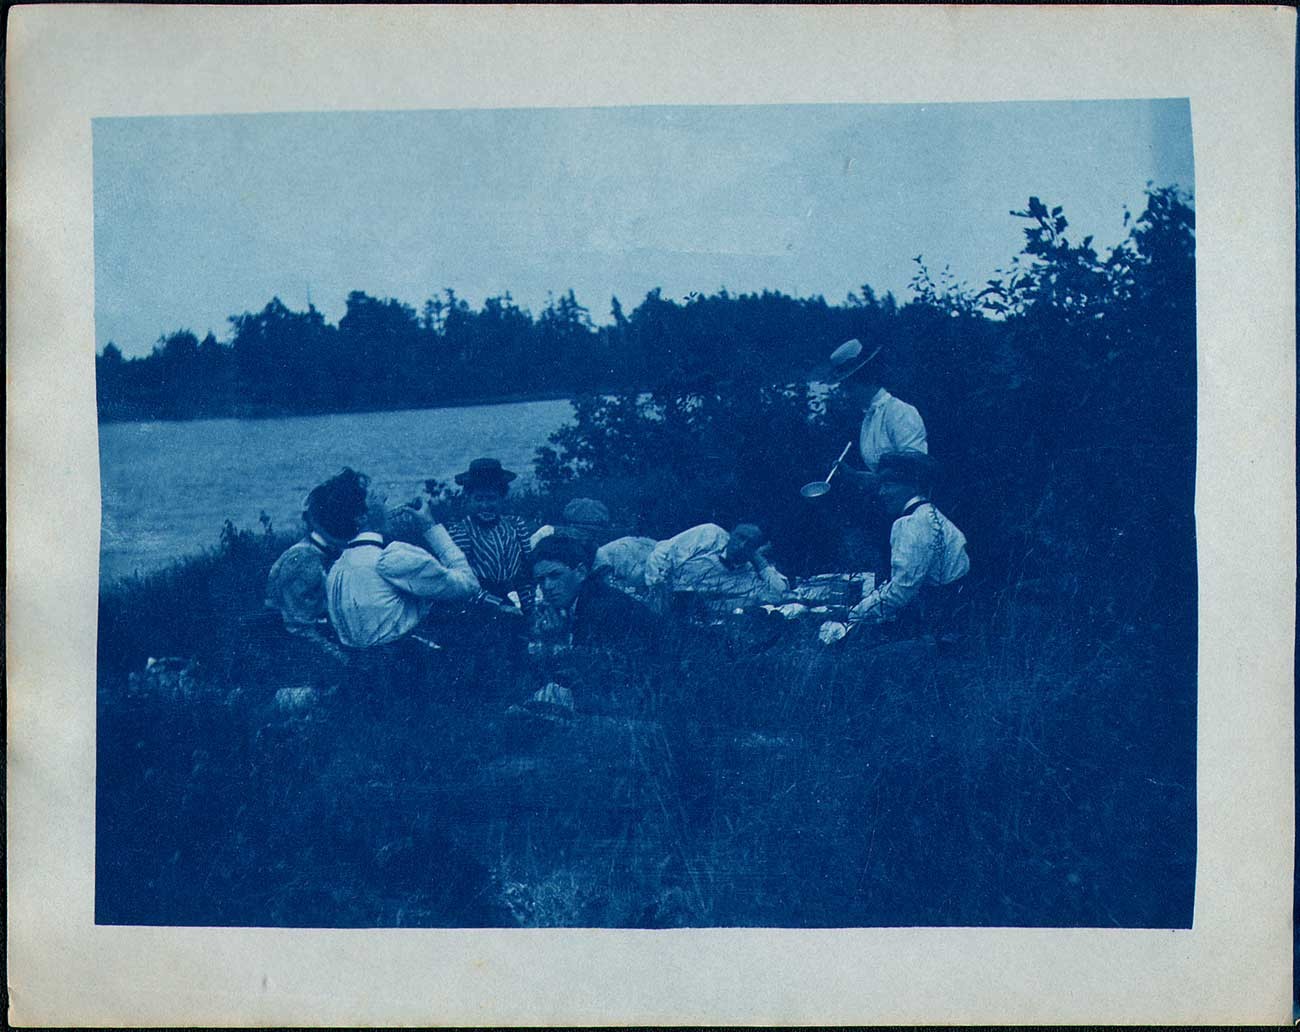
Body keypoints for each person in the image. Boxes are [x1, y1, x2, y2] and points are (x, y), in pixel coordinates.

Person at [326, 476, 480, 649]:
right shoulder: (390, 559)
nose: (385, 498)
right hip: (407, 665)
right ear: (360, 518)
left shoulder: (336, 570)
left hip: (361, 669)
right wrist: (430, 527)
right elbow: (469, 584)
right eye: (376, 497)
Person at [842, 449, 969, 637]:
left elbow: (901, 590)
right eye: (881, 485)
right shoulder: (928, 512)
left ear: (913, 485)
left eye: (889, 484)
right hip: (952, 611)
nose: (882, 492)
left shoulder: (911, 524)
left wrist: (854, 614)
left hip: (941, 623)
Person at [264, 471, 361, 645]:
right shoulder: (303, 560)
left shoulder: (320, 553)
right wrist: (346, 661)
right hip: (304, 653)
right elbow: (299, 628)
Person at [817, 337, 928, 476]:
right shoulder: (869, 417)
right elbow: (879, 473)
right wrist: (854, 476)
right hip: (884, 496)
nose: (846, 395)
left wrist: (870, 481)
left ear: (865, 381)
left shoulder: (900, 412)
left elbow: (916, 469)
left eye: (849, 388)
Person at [531, 532, 658, 648]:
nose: (547, 586)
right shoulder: (584, 597)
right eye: (541, 579)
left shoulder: (602, 607)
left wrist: (556, 639)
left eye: (555, 575)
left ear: (581, 572)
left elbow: (587, 667)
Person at [447, 458, 536, 617]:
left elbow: (527, 570)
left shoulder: (515, 526)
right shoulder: (462, 532)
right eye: (479, 499)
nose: (485, 505)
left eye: (491, 498)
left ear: (502, 498)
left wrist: (529, 606)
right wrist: (498, 605)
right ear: (468, 498)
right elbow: (461, 582)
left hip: (517, 600)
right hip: (479, 606)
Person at [643, 521, 789, 618]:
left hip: (680, 607)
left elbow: (780, 593)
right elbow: (662, 553)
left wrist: (759, 562)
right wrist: (657, 585)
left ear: (757, 549)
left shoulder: (749, 576)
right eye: (739, 537)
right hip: (646, 571)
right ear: (731, 533)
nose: (741, 545)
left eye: (750, 544)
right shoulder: (710, 535)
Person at [528, 497, 614, 552]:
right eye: (580, 533)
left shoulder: (548, 532)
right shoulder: (548, 533)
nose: (585, 539)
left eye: (591, 533)